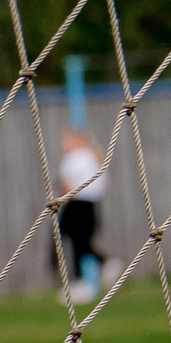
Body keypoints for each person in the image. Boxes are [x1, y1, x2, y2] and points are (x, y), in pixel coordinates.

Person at [54, 127, 107, 303]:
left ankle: (82, 281)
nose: (63, 145)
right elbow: (105, 183)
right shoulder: (93, 157)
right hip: (92, 203)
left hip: (76, 203)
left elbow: (66, 183)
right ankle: (102, 265)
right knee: (83, 242)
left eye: (66, 141)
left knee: (74, 241)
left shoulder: (74, 158)